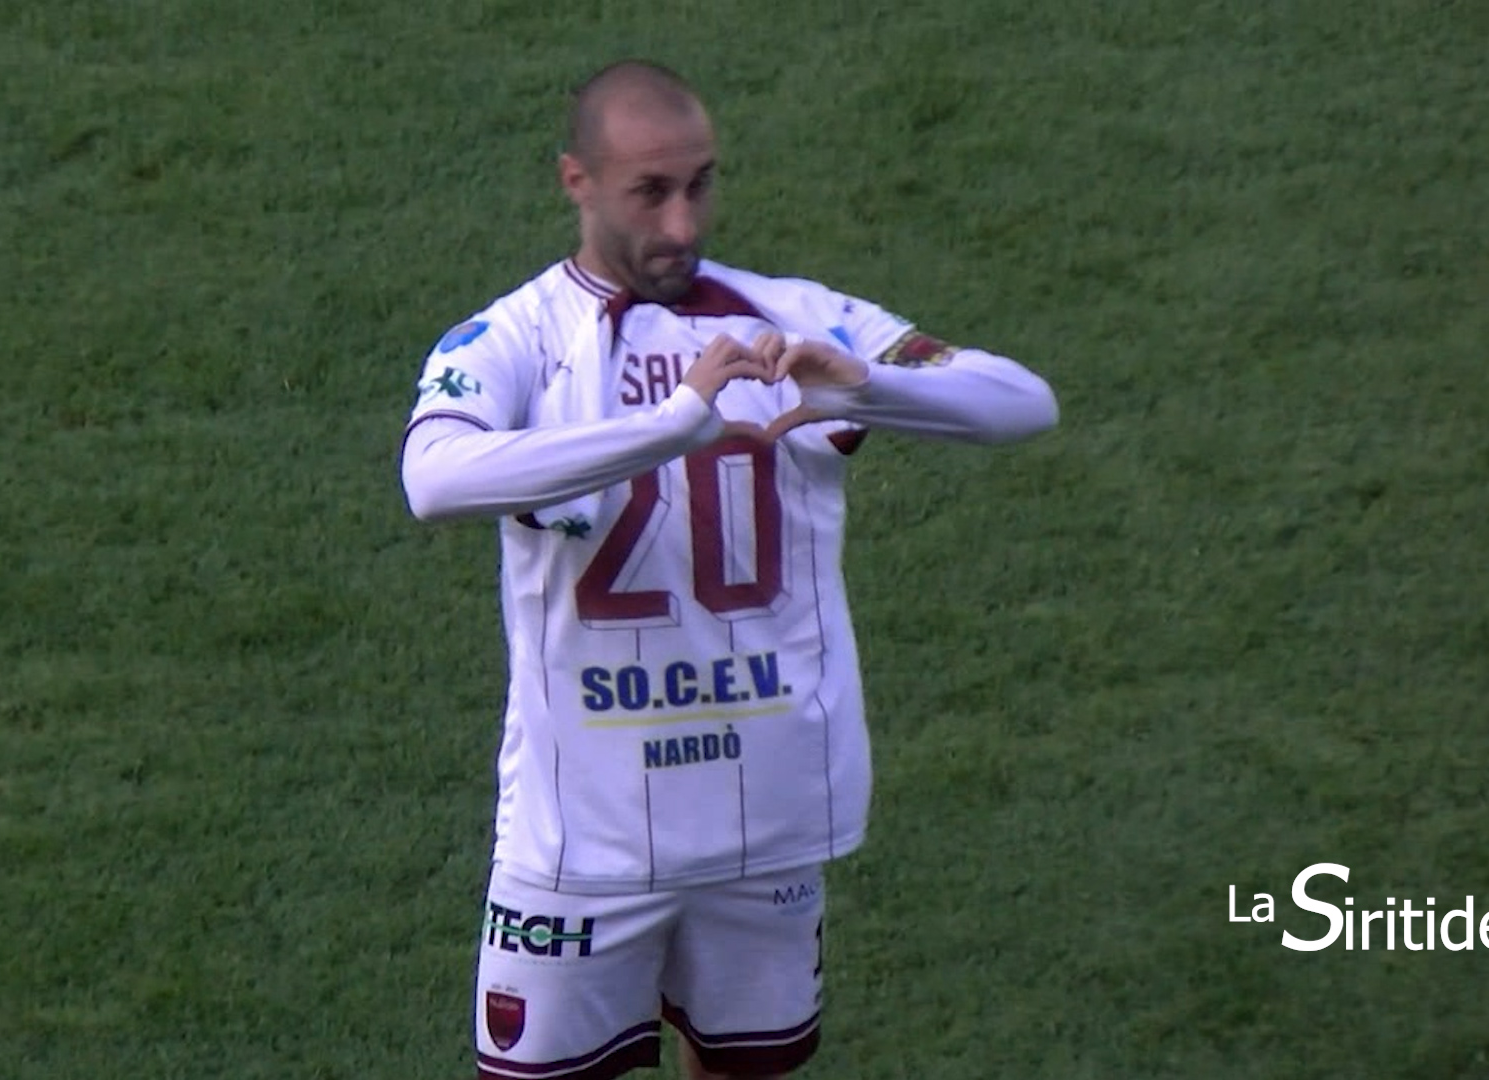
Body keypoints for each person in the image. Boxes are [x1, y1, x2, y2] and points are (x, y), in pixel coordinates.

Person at [399, 59, 1059, 1080]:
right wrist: (670, 425)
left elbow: (1021, 401)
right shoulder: (516, 339)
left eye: (700, 185)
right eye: (650, 193)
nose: (682, 224)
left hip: (767, 824)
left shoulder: (792, 319)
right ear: (577, 181)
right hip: (584, 844)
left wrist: (867, 388)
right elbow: (434, 478)